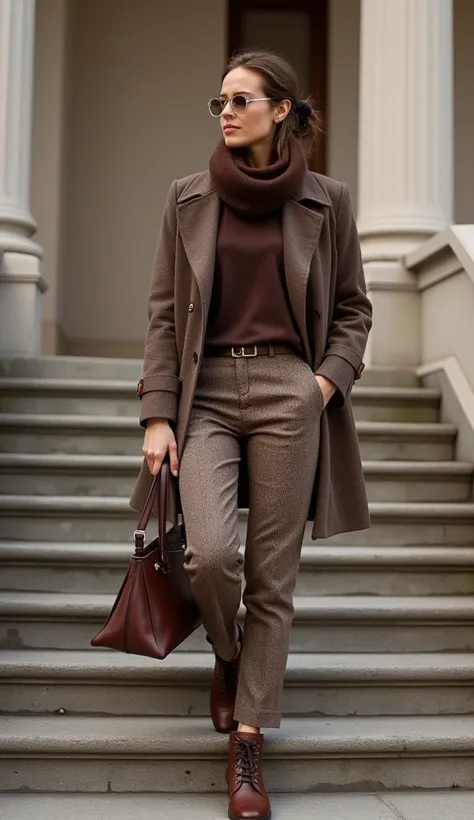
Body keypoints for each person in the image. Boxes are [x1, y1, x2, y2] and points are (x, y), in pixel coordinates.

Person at [130, 49, 372, 820]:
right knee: (209, 552)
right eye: (221, 101)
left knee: (274, 577)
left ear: (281, 112)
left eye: (241, 100)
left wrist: (323, 383)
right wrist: (159, 414)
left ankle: (247, 742)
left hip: (288, 392)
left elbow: (354, 310)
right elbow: (166, 314)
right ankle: (228, 657)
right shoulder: (188, 199)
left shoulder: (327, 202)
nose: (226, 111)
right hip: (204, 397)